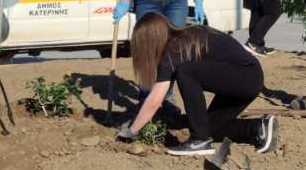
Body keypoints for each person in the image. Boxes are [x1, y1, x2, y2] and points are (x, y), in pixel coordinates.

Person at [116, 14, 277, 157]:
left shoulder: (173, 51)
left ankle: (199, 140)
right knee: (209, 128)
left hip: (245, 76)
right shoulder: (188, 36)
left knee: (186, 72)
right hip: (248, 78)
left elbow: (155, 100)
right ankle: (258, 128)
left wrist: (131, 131)